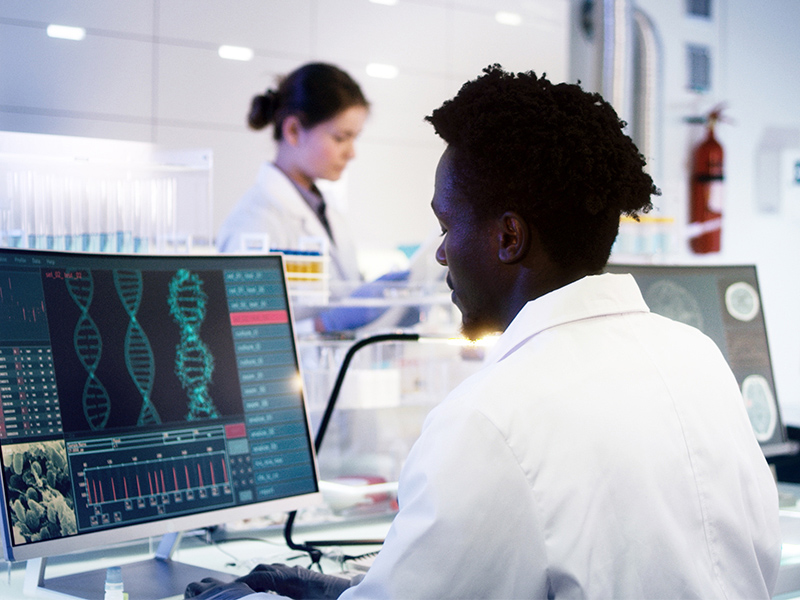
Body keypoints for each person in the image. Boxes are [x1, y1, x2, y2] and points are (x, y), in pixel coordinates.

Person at [187, 66, 781, 599]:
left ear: (508, 238)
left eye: (446, 224)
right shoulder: (698, 358)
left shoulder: (489, 418)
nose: (442, 252)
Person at [216, 62, 367, 290]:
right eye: (340, 138)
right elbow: (247, 317)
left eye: (354, 138)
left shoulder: (328, 213)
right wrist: (321, 323)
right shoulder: (255, 221)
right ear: (293, 131)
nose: (351, 153)